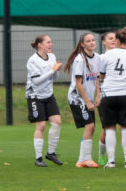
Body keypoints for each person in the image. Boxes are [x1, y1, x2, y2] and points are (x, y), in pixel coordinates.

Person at [100, 27, 126, 168]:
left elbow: (102, 75)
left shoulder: (106, 55)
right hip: (125, 94)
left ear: (116, 40)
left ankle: (111, 161)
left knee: (110, 128)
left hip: (108, 94)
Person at [64, 33, 101, 168]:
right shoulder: (80, 60)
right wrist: (87, 101)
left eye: (93, 40)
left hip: (88, 98)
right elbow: (78, 83)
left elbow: (96, 78)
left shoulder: (97, 58)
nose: (92, 42)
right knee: (89, 126)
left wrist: (98, 95)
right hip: (77, 98)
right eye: (88, 41)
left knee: (91, 128)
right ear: (82, 44)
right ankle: (86, 159)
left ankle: (81, 160)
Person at [26, 35, 63, 167]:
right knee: (41, 126)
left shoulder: (51, 56)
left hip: (48, 96)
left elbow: (54, 77)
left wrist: (56, 70)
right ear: (40, 45)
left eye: (51, 42)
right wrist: (52, 70)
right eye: (48, 42)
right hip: (35, 96)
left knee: (57, 122)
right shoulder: (33, 61)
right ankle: (38, 158)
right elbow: (36, 81)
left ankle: (51, 153)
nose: (50, 44)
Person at [97, 31, 116, 166]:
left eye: (115, 38)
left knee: (125, 127)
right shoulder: (101, 58)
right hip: (106, 96)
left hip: (121, 95)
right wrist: (97, 95)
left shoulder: (123, 56)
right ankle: (102, 155)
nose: (113, 40)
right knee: (107, 129)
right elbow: (96, 79)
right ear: (104, 42)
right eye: (110, 39)